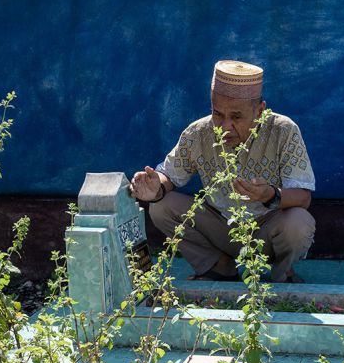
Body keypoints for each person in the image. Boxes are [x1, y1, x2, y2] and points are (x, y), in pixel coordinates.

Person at [130, 60, 316, 283]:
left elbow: (303, 197)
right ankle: (219, 267)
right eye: (218, 114)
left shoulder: (283, 130)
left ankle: (282, 275)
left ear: (260, 111)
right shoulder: (198, 132)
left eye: (236, 117)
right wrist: (156, 187)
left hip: (268, 231)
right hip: (221, 230)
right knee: (161, 207)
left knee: (299, 222)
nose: (224, 125)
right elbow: (169, 174)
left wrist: (270, 195)